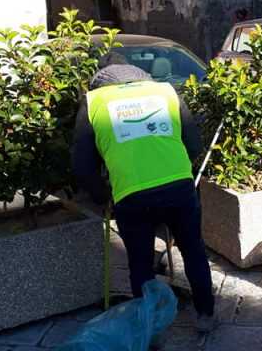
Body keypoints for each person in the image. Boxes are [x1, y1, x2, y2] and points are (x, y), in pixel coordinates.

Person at [72, 62, 216, 334]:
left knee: (140, 263)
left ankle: (150, 328)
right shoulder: (166, 92)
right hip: (179, 187)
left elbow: (82, 165)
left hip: (131, 195)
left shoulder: (94, 101)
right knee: (194, 251)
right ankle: (205, 314)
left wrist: (102, 195)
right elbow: (194, 144)